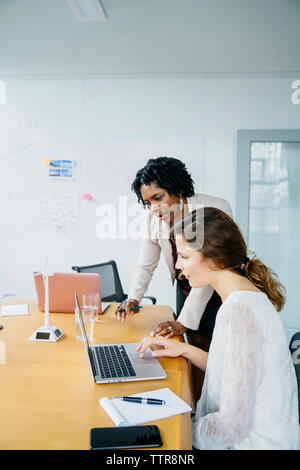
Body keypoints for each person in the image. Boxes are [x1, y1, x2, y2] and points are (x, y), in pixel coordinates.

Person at [136, 207, 300, 450]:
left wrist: (174, 432)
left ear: (213, 258)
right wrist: (183, 350)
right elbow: (232, 369)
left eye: (185, 256)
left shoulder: (238, 312)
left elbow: (233, 425)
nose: (179, 265)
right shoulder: (245, 298)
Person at [114, 157, 232, 349]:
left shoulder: (215, 209)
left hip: (219, 289)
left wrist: (183, 321)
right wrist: (133, 298)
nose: (153, 208)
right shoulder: (153, 220)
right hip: (186, 286)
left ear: (179, 190)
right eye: (148, 202)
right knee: (194, 345)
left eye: (158, 198)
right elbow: (145, 265)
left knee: (220, 348)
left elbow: (210, 268)